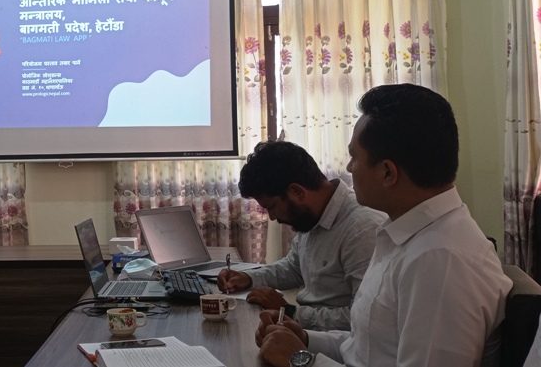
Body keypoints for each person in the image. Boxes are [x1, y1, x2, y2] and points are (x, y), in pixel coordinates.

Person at [256, 84, 512, 367]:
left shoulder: (439, 259)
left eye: (354, 157)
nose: (349, 168)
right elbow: (367, 348)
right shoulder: (403, 234)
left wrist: (300, 360)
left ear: (388, 172)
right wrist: (305, 339)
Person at [217, 141, 386, 331]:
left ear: (297, 192)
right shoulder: (311, 216)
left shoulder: (363, 230)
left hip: (336, 344)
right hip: (309, 333)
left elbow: (364, 320)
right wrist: (248, 278)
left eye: (272, 207)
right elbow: (294, 268)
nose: (272, 217)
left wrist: (290, 312)